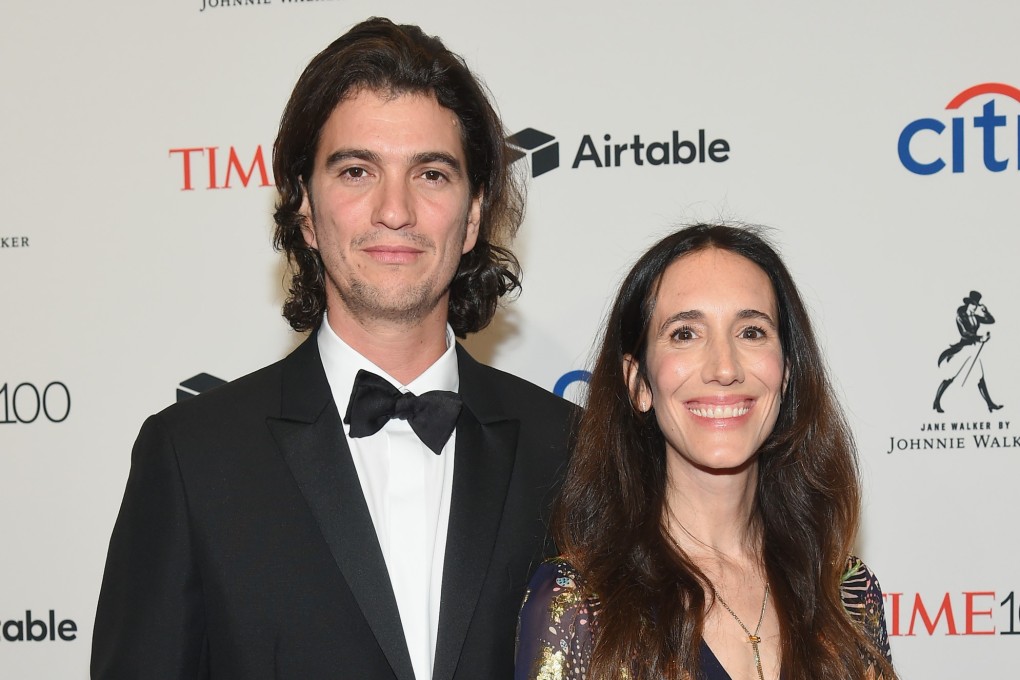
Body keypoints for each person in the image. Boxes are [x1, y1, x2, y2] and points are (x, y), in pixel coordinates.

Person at [92, 17, 573, 680]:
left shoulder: (571, 452)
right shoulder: (192, 460)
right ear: (305, 211)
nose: (394, 210)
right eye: (356, 171)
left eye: (431, 174)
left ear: (472, 216)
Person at [516, 224, 896, 680]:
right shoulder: (580, 603)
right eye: (685, 334)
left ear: (787, 374)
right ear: (639, 383)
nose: (724, 367)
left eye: (751, 332)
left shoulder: (847, 595)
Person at [933, 291, 1002, 413]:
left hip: (973, 349)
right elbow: (964, 333)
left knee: (980, 378)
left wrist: (985, 311)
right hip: (963, 349)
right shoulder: (961, 316)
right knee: (950, 376)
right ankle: (936, 401)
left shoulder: (975, 317)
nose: (975, 307)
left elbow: (991, 320)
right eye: (973, 304)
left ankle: (990, 404)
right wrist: (980, 338)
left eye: (976, 305)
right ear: (968, 304)